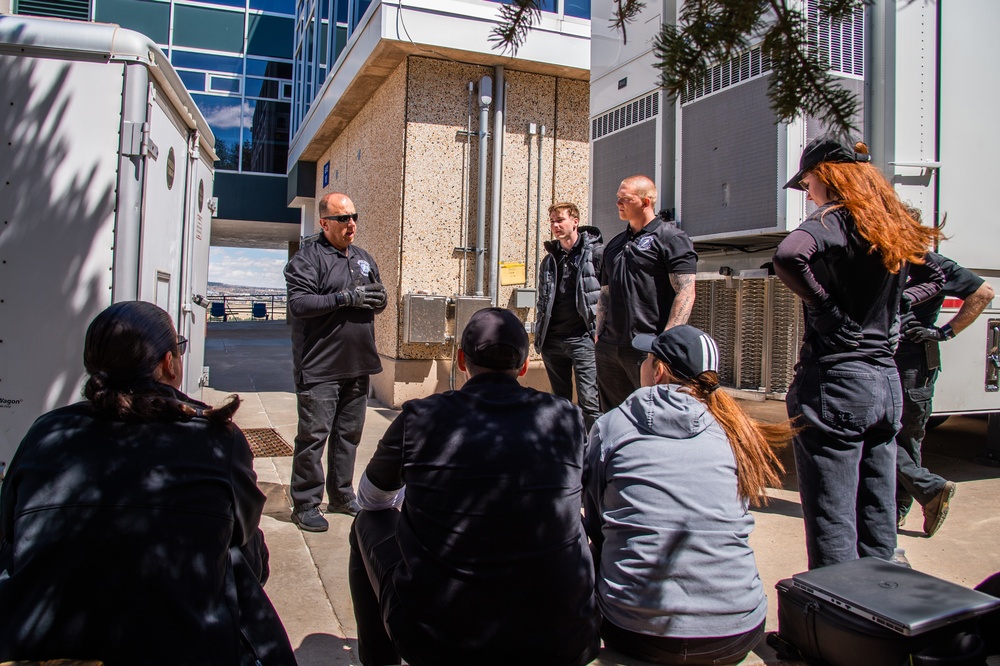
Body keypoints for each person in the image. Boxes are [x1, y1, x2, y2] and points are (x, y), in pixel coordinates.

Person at [0, 301, 294, 665]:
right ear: (168, 363)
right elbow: (243, 537)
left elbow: (10, 536)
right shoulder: (216, 438)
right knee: (237, 552)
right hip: (181, 643)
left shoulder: (46, 432)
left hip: (43, 642)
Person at [348, 307, 600, 666]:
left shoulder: (420, 417)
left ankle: (379, 659)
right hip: (564, 640)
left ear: (462, 361)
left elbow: (370, 500)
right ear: (525, 365)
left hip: (439, 643)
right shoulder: (567, 418)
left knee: (364, 524)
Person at [773, 135, 942, 569]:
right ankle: (879, 606)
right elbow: (938, 275)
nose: (807, 192)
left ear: (828, 176)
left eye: (808, 181)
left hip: (837, 381)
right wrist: (900, 301)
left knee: (832, 516)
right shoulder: (890, 225)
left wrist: (828, 312)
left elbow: (790, 255)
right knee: (875, 507)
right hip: (886, 383)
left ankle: (836, 616)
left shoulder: (832, 219)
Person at [584, 325, 790, 665]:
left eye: (647, 358)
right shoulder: (735, 432)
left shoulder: (612, 425)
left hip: (633, 631)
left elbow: (595, 521)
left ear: (659, 370)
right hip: (736, 632)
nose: (642, 365)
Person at [285, 192, 387, 531]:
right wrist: (345, 298)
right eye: (343, 218)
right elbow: (299, 304)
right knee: (313, 437)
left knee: (349, 436)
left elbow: (373, 297)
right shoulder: (307, 259)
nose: (351, 223)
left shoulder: (362, 257)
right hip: (320, 367)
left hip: (358, 364)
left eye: (354, 216)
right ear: (324, 222)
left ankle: (341, 495)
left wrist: (378, 298)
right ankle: (305, 504)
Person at [896, 250, 994, 536]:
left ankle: (915, 499)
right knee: (886, 435)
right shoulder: (884, 259)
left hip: (913, 362)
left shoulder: (931, 263)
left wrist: (943, 332)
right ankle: (906, 505)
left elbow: (984, 292)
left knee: (901, 436)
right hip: (886, 359)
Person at [596, 174, 698, 412]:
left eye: (625, 198)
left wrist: (666, 345)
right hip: (610, 347)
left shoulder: (671, 239)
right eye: (617, 198)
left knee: (652, 414)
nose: (618, 203)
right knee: (613, 415)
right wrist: (599, 335)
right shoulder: (614, 245)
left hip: (648, 347)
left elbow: (686, 291)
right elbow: (606, 293)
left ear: (646, 201)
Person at [535, 201, 604, 430]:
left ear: (575, 221)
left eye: (560, 220)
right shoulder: (550, 259)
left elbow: (606, 296)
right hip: (553, 341)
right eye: (552, 221)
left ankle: (592, 454)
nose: (555, 225)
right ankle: (566, 446)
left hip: (583, 338)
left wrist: (600, 332)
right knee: (560, 403)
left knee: (590, 403)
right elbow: (543, 300)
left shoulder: (595, 254)